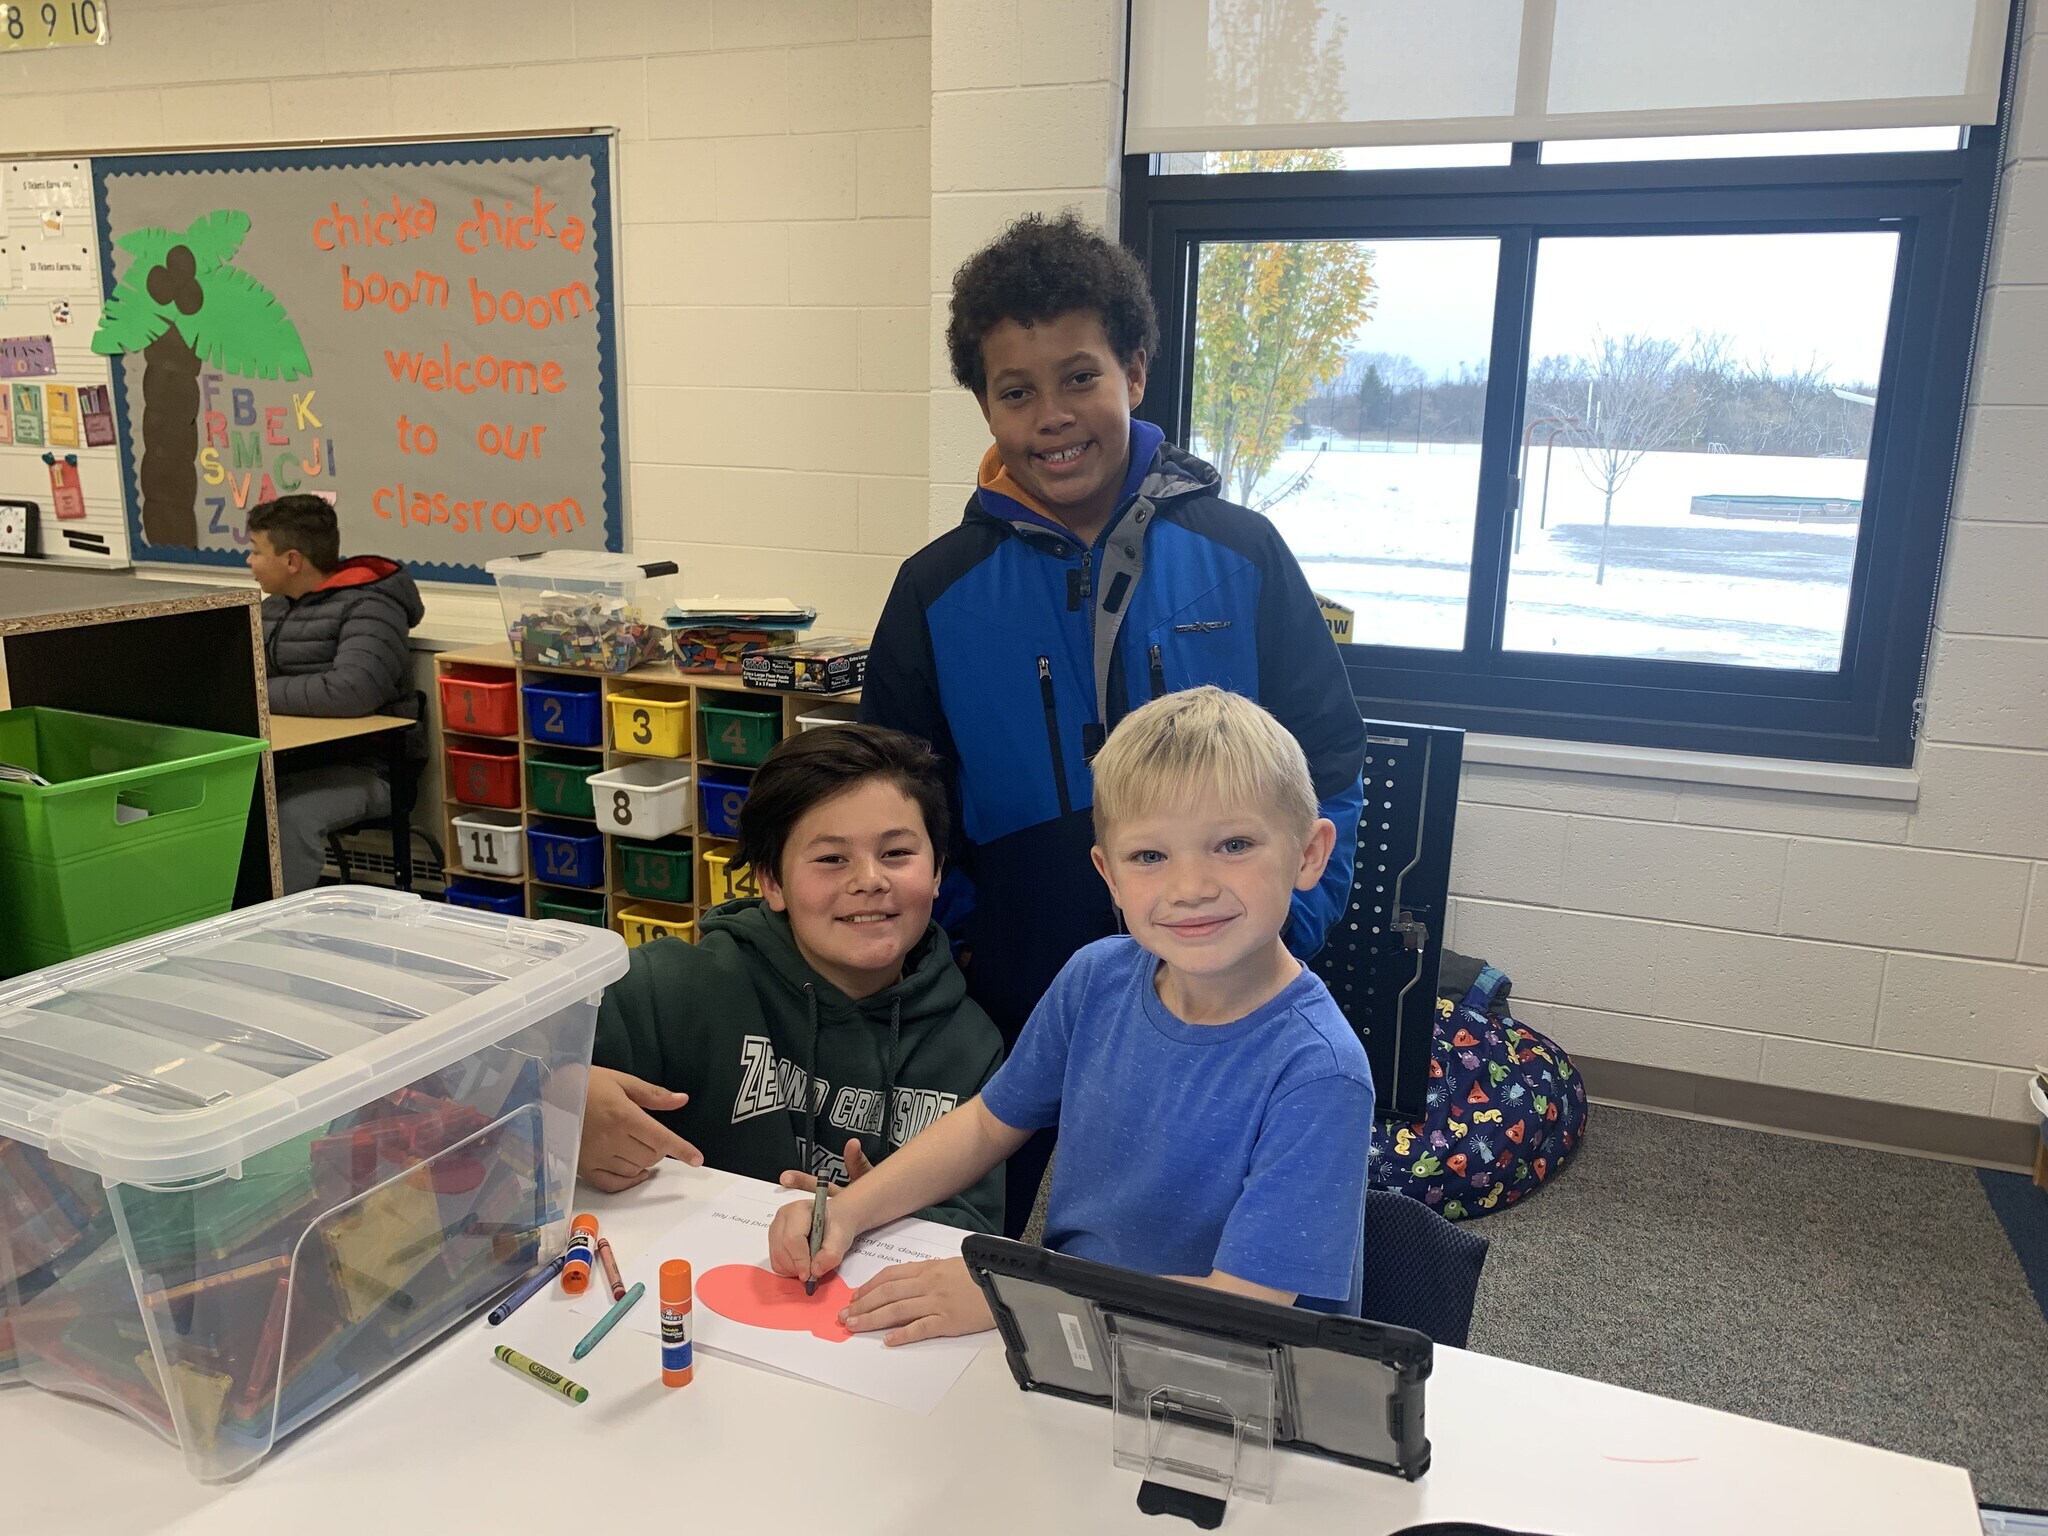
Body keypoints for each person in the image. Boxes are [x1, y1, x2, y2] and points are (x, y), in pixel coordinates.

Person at [861, 211, 1366, 1234]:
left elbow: (1334, 766)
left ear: (1134, 370)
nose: (1051, 415)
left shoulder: (1244, 553)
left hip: (1221, 975)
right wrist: (956, 944)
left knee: (1198, 1234)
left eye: (1078, 376)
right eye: (1016, 391)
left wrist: (1283, 925)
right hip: (1014, 976)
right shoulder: (935, 588)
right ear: (984, 407)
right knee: (971, 1227)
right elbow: (894, 795)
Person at [768, 688, 1375, 1342]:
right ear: (1108, 874)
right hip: (1074, 1331)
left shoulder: (1319, 1072)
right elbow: (985, 1126)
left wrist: (1017, 1296)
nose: (1191, 887)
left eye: (1233, 844)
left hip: (1228, 1376)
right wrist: (849, 1210)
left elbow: (1239, 1309)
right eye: (1149, 856)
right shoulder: (1097, 978)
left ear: (1310, 854)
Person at [580, 724, 1007, 1234]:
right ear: (772, 882)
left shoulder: (970, 1048)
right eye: (831, 858)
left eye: (896, 853)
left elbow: (972, 1236)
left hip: (848, 1301)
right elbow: (490, 1070)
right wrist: (563, 1098)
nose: (870, 880)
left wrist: (881, 1213)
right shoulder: (675, 987)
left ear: (937, 872)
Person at [248, 495, 423, 894]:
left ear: (292, 561)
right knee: (229, 804)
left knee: (286, 817)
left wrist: (257, 692)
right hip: (296, 761)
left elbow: (350, 692)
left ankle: (281, 932)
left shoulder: (371, 605)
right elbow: (245, 675)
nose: (250, 562)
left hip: (371, 768)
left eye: (256, 551)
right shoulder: (274, 609)